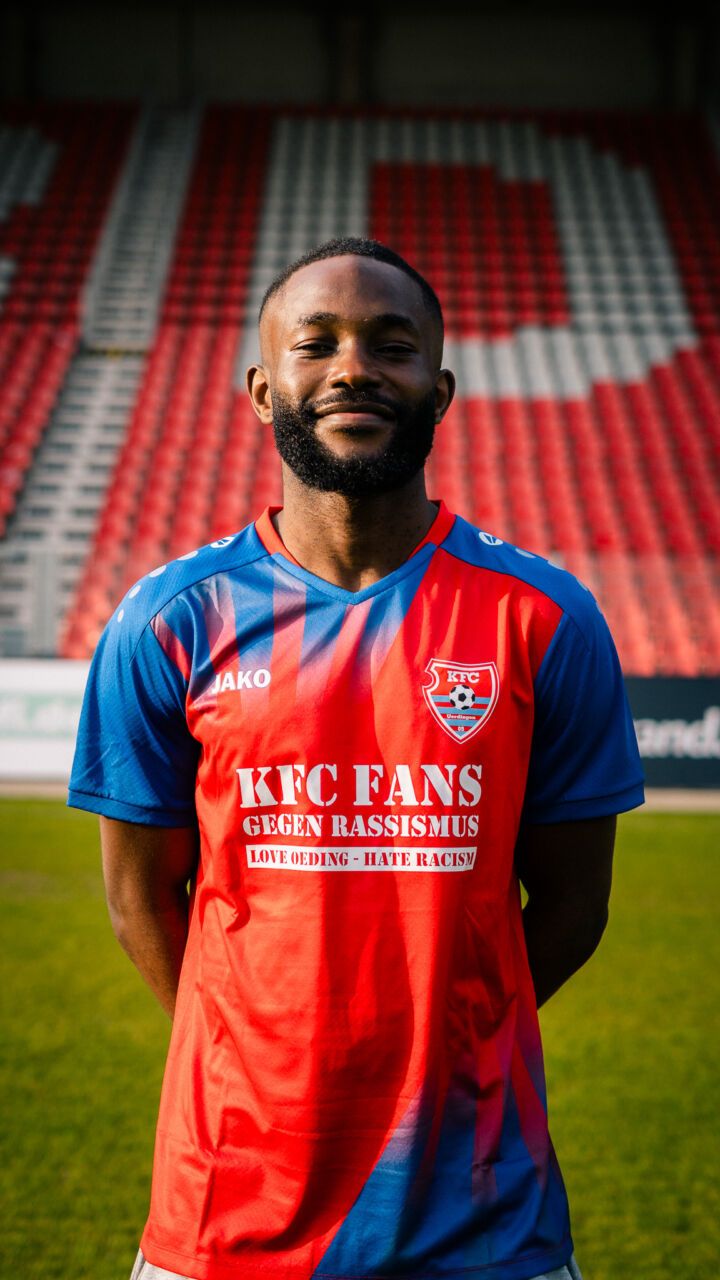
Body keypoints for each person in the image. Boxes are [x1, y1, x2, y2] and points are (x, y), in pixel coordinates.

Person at [68, 237, 644, 1280]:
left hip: (480, 1218)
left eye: (392, 344)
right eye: (316, 343)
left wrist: (458, 1035)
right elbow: (137, 899)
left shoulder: (544, 616)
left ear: (441, 389)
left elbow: (574, 905)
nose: (353, 368)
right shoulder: (169, 618)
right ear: (262, 390)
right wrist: (252, 1054)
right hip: (225, 1211)